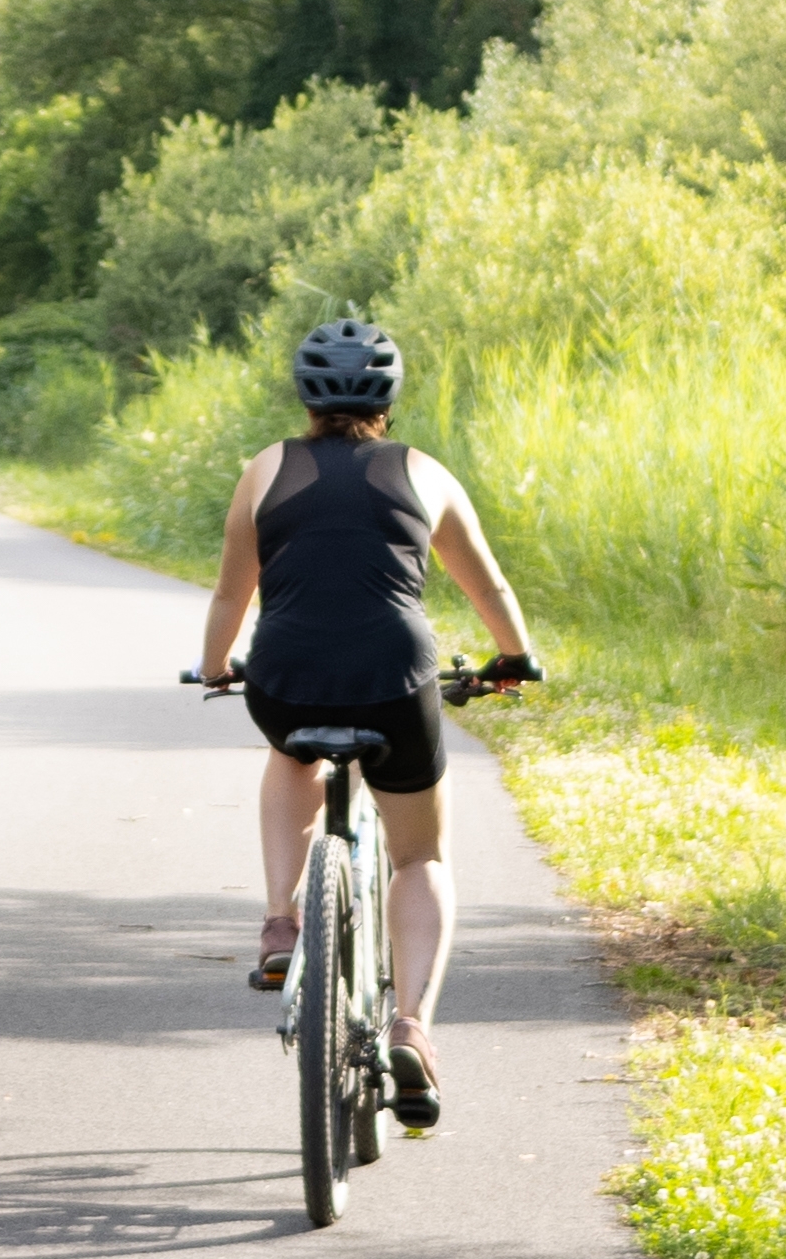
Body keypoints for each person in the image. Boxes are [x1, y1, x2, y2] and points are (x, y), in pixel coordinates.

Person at [192, 313, 535, 1129]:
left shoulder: (265, 468)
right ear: (391, 395)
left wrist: (216, 666)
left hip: (287, 673)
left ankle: (282, 919)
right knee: (420, 855)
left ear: (304, 395)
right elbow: (488, 588)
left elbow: (229, 595)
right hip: (395, 675)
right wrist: (512, 659)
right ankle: (411, 1024)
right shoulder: (426, 472)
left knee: (289, 754)